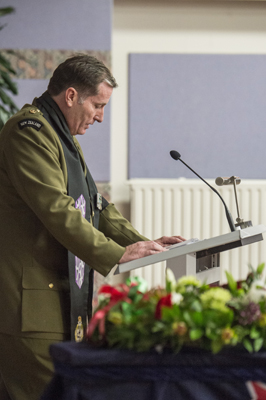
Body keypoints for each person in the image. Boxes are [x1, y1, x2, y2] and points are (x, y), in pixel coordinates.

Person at [0, 54, 185, 400]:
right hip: (30, 307)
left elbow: (96, 205)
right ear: (71, 96)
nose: (101, 116)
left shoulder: (61, 137)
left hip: (58, 299)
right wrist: (118, 254)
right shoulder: (29, 133)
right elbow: (58, 210)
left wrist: (145, 244)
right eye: (98, 105)